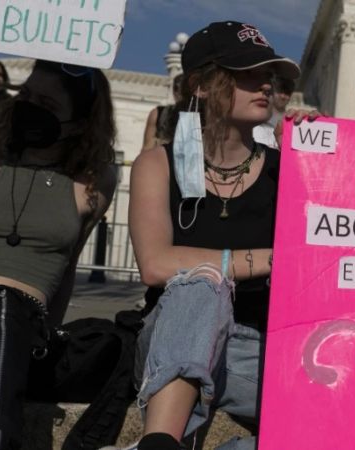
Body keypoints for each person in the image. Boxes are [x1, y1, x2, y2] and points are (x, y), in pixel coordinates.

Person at [124, 21, 311, 450]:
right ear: (202, 86)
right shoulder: (159, 163)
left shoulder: (288, 169)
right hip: (173, 339)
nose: (264, 83)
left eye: (270, 75)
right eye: (246, 73)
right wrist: (269, 259)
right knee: (202, 285)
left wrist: (314, 157)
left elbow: (326, 251)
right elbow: (155, 264)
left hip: (260, 350)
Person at [0, 60, 116, 450]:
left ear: (80, 122)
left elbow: (68, 265)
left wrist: (49, 332)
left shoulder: (92, 180)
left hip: (19, 319)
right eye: (26, 94)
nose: (30, 106)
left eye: (47, 102)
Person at [141, 74, 184, 151]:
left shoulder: (201, 116)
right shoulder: (158, 114)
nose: (182, 95)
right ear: (175, 92)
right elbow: (147, 148)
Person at [252, 75, 295, 150]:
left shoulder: (292, 121)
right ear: (271, 91)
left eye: (287, 93)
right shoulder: (258, 116)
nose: (283, 96)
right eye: (279, 91)